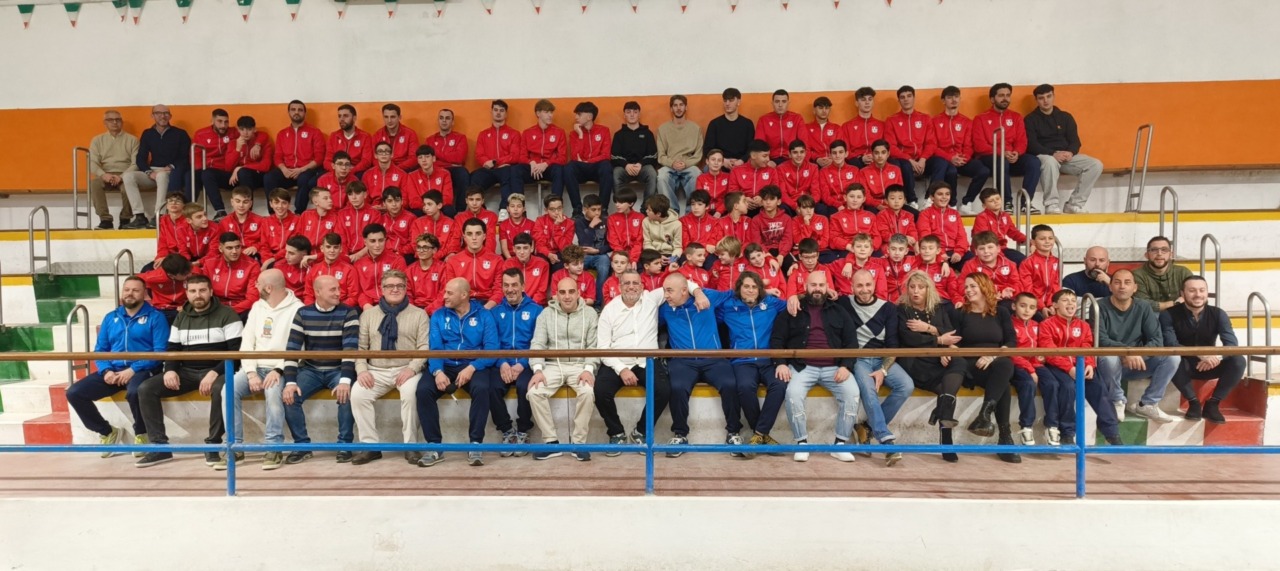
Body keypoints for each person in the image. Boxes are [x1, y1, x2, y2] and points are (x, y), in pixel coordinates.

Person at [134, 275, 241, 468]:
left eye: (202, 290)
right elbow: (172, 349)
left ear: (210, 291)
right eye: (192, 291)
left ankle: (213, 444)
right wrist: (170, 370)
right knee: (146, 388)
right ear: (186, 293)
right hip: (187, 371)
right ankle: (160, 448)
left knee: (220, 389)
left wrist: (214, 372)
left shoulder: (228, 314)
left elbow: (236, 353)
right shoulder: (181, 317)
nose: (197, 295)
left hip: (220, 370)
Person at [64, 276, 168, 458]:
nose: (130, 293)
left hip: (142, 369)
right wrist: (106, 370)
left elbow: (160, 352)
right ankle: (106, 431)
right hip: (113, 370)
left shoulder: (156, 317)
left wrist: (133, 370)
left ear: (145, 294)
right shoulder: (111, 317)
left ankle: (141, 434)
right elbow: (100, 350)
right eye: (127, 289)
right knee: (74, 392)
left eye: (135, 290)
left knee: (136, 391)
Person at [771, 270, 860, 463]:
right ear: (806, 287)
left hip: (835, 367)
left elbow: (851, 342)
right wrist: (780, 363)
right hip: (802, 367)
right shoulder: (793, 309)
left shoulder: (839, 311)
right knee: (793, 394)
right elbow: (777, 339)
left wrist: (846, 366)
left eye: (821, 285)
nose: (817, 289)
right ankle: (802, 443)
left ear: (827, 287)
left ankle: (840, 445)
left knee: (852, 392)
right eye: (813, 285)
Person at [225, 269, 303, 471]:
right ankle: (235, 446)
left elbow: (299, 347)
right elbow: (247, 341)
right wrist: (250, 372)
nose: (255, 287)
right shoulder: (257, 307)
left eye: (258, 283)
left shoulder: (298, 309)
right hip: (254, 366)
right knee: (228, 390)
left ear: (268, 287)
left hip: (280, 368)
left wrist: (278, 370)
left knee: (274, 395)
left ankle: (274, 446)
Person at [350, 269, 430, 465]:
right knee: (358, 394)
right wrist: (362, 370)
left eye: (400, 286)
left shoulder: (419, 314)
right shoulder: (368, 315)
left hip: (407, 369)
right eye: (390, 286)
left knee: (411, 395)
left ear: (406, 288)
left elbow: (424, 347)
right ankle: (370, 447)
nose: (395, 289)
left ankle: (411, 446)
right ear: (382, 289)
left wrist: (412, 368)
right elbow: (360, 347)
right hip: (376, 370)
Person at [419, 278, 501, 467]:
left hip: (473, 364)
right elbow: (435, 348)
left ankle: (475, 444)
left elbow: (492, 350)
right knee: (423, 390)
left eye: (449, 293)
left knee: (482, 388)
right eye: (445, 292)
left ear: (464, 295)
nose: (444, 296)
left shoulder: (484, 315)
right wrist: (438, 371)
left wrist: (472, 368)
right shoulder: (439, 315)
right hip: (445, 365)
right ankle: (434, 446)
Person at [282, 275, 360, 464]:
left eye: (339, 288)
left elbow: (351, 350)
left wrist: (345, 380)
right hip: (311, 369)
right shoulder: (303, 313)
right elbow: (292, 349)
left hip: (339, 369)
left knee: (348, 395)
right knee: (290, 396)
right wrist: (290, 382)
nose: (338, 293)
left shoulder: (349, 313)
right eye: (332, 289)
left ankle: (345, 445)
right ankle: (302, 446)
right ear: (317, 292)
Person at [594, 270, 675, 453]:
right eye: (627, 283)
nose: (631, 286)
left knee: (663, 390)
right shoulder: (609, 310)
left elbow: (681, 284)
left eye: (635, 283)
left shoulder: (651, 299)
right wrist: (622, 369)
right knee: (600, 391)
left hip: (647, 360)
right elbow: (603, 348)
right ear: (619, 286)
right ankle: (616, 433)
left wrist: (698, 292)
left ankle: (641, 432)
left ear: (642, 286)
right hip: (617, 360)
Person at [839, 270, 913, 466]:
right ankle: (886, 440)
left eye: (868, 285)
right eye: (859, 286)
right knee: (869, 390)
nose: (864, 290)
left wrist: (883, 370)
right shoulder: (843, 304)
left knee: (906, 385)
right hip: (859, 359)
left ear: (874, 284)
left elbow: (892, 343)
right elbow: (816, 297)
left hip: (882, 358)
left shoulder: (887, 308)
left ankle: (866, 428)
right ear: (851, 286)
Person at [658, 273, 734, 457]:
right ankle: (680, 434)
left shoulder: (707, 296)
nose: (665, 295)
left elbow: (732, 294)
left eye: (669, 291)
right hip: (682, 360)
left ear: (684, 290)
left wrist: (768, 291)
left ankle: (733, 432)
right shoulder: (664, 309)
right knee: (676, 387)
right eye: (664, 291)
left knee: (730, 384)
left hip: (713, 358)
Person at [896, 270, 966, 462]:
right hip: (917, 362)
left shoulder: (938, 308)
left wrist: (931, 331)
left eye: (921, 287)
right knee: (946, 389)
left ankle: (942, 414)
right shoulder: (902, 309)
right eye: (912, 287)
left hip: (938, 360)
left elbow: (951, 333)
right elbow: (909, 338)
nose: (916, 291)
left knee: (959, 359)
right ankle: (946, 441)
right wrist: (940, 342)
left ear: (929, 289)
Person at [715, 271, 789, 455]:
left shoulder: (771, 303)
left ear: (760, 289)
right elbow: (708, 313)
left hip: (768, 358)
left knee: (780, 384)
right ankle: (763, 436)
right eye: (746, 286)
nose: (750, 290)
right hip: (742, 360)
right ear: (739, 289)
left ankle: (758, 434)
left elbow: (793, 305)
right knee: (745, 387)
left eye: (754, 287)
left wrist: (795, 295)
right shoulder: (728, 306)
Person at [527, 277, 599, 461]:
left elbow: (594, 346)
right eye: (562, 292)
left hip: (579, 365)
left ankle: (578, 443)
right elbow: (537, 344)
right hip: (552, 365)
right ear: (556, 295)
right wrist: (537, 370)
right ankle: (551, 442)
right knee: (534, 392)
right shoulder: (545, 314)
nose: (567, 296)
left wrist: (589, 369)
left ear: (578, 293)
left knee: (587, 392)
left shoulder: (590, 314)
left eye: (571, 291)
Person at [952, 273, 1021, 463]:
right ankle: (1004, 438)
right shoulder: (960, 313)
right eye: (966, 287)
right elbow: (954, 343)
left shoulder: (1001, 312)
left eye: (973, 286)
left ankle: (985, 416)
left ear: (984, 287)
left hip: (994, 363)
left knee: (1004, 367)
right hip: (968, 364)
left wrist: (992, 355)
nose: (968, 290)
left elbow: (1010, 341)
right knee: (1004, 379)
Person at [1039, 288, 1122, 446]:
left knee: (1098, 388)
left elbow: (1087, 346)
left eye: (1072, 300)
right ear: (1055, 305)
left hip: (1081, 364)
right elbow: (1048, 351)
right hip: (1057, 366)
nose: (1070, 303)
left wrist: (1090, 364)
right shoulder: (1046, 325)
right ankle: (1067, 433)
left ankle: (1112, 433)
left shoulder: (1083, 325)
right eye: (1065, 300)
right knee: (1068, 387)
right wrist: (1069, 368)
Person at [1097, 269, 1179, 424]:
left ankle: (1148, 403)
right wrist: (1126, 352)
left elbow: (1156, 340)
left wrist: (1138, 354)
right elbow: (1100, 340)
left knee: (1173, 357)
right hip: (1109, 365)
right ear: (1110, 286)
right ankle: (1117, 400)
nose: (1122, 286)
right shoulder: (1099, 306)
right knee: (1108, 357)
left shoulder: (1143, 306)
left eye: (1127, 282)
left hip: (1138, 362)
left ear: (1135, 288)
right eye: (1117, 282)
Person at [1161, 275, 1245, 424]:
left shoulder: (1218, 313)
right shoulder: (1168, 314)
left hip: (1210, 364)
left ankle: (1213, 403)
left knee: (1238, 360)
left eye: (1202, 290)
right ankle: (1193, 402)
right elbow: (1171, 344)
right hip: (1183, 365)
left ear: (1207, 292)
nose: (1198, 294)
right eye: (1192, 290)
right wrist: (1200, 354)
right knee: (1171, 358)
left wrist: (1216, 357)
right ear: (1182, 293)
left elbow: (1231, 344)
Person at [1025, 84, 1104, 214]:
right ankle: (1051, 205)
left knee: (1095, 164)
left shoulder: (1065, 117)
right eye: (1041, 98)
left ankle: (1074, 204)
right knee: (1049, 161)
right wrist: (1052, 153)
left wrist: (1070, 152)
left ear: (1054, 96)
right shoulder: (1030, 119)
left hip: (1066, 157)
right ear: (1036, 100)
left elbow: (1075, 141)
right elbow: (1031, 145)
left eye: (1048, 96)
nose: (1045, 100)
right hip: (1045, 156)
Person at [489, 269, 542, 457]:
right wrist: (503, 363)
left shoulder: (537, 310)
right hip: (502, 364)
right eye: (506, 285)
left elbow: (539, 342)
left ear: (523, 286)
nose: (510, 289)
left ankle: (523, 431)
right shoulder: (494, 313)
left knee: (524, 386)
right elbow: (492, 343)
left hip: (527, 364)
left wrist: (523, 364)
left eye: (514, 285)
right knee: (491, 386)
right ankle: (506, 431)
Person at [972, 83, 1041, 213]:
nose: (1005, 98)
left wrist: (1016, 152)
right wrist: (1002, 153)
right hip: (990, 158)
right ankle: (1007, 202)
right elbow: (979, 146)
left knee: (1034, 162)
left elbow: (1022, 140)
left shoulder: (1016, 117)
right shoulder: (980, 118)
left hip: (1012, 157)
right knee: (1001, 162)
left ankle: (1026, 203)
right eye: (1001, 95)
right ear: (992, 99)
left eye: (1008, 95)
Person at [125, 104, 191, 229]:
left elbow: (185, 157)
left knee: (161, 176)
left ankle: (159, 215)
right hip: (152, 171)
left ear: (170, 116)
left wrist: (171, 166)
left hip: (170, 171)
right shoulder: (148, 133)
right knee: (128, 176)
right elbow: (140, 158)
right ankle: (139, 216)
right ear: (153, 116)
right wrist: (148, 172)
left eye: (166, 113)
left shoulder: (180, 133)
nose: (163, 116)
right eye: (158, 113)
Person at [927, 86, 990, 212]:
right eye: (949, 97)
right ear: (943, 101)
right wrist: (950, 158)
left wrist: (963, 158)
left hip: (962, 159)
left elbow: (969, 145)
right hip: (944, 160)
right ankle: (952, 204)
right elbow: (933, 146)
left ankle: (967, 203)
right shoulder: (934, 121)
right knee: (951, 172)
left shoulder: (966, 121)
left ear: (960, 99)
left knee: (983, 170)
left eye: (956, 97)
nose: (953, 100)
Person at [264, 100, 326, 214]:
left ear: (304, 113)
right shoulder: (282, 134)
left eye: (300, 110)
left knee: (304, 178)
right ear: (289, 112)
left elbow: (319, 158)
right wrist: (283, 169)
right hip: (287, 171)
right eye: (293, 109)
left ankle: (299, 212)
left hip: (306, 170)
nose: (296, 112)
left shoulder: (315, 132)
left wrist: (301, 169)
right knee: (269, 178)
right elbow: (277, 156)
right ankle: (273, 213)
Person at [88, 109, 142, 230]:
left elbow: (136, 163)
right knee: (94, 184)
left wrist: (122, 176)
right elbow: (92, 162)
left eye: (117, 120)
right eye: (110, 120)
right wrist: (103, 175)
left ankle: (125, 219)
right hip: (105, 173)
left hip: (126, 173)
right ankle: (105, 220)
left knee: (129, 185)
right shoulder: (97, 140)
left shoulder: (132, 140)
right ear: (105, 123)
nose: (114, 122)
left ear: (121, 122)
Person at [513, 99, 568, 213]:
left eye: (551, 112)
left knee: (559, 170)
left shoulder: (559, 132)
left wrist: (546, 163)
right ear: (538, 113)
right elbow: (521, 156)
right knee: (516, 170)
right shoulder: (527, 132)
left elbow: (562, 158)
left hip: (549, 169)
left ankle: (554, 208)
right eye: (546, 112)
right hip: (533, 169)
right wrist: (531, 163)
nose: (550, 115)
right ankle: (519, 209)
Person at [1009, 292, 1050, 446]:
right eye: (1023, 306)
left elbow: (1042, 347)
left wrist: (1042, 358)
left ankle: (1052, 425)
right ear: (1014, 306)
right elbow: (1011, 352)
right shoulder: (1009, 325)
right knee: (1028, 384)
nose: (1027, 310)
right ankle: (1026, 427)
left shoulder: (1037, 326)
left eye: (1032, 307)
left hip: (1036, 364)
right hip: (1016, 364)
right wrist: (1030, 369)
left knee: (1053, 383)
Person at [885, 86, 936, 205]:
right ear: (899, 101)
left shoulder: (925, 118)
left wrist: (923, 159)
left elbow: (931, 143)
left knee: (942, 164)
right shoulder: (891, 120)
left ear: (914, 98)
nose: (906, 99)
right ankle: (912, 200)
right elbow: (891, 146)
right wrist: (910, 160)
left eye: (909, 96)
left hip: (922, 159)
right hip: (904, 159)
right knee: (905, 165)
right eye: (902, 97)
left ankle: (929, 198)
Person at [471, 100, 522, 217]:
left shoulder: (514, 134)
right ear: (491, 112)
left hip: (505, 168)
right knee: (475, 177)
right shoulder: (483, 134)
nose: (498, 113)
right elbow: (479, 155)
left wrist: (496, 162)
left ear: (506, 114)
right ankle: (479, 209)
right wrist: (486, 163)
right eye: (496, 110)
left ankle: (504, 209)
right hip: (489, 170)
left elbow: (515, 155)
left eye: (502, 110)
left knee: (508, 174)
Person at [656, 94, 704, 212]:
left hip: (689, 165)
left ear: (686, 107)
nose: (678, 108)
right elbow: (661, 156)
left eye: (681, 105)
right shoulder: (663, 129)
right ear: (671, 108)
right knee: (661, 176)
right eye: (675, 105)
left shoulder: (695, 128)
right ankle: (671, 212)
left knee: (697, 174)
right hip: (670, 165)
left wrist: (686, 163)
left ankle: (692, 212)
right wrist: (672, 163)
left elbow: (698, 154)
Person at [198, 232, 261, 320]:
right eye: (229, 248)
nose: (234, 251)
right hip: (216, 307)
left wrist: (230, 311)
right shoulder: (210, 263)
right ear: (220, 248)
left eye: (237, 247)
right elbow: (204, 291)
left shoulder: (252, 265)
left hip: (241, 309)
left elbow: (252, 298)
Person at [566, 101, 616, 211]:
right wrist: (580, 135)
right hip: (581, 170)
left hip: (597, 168)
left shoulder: (604, 131)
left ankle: (603, 209)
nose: (576, 117)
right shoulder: (574, 133)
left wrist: (589, 161)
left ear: (589, 116)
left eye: (579, 114)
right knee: (569, 168)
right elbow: (575, 157)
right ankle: (577, 209)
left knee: (606, 166)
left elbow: (605, 155)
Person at [442, 218, 504, 306]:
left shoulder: (497, 260)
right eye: (469, 234)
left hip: (489, 303)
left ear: (484, 236)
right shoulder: (453, 261)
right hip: (462, 303)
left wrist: (485, 309)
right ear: (464, 237)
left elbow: (499, 290)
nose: (474, 238)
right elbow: (451, 290)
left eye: (478, 234)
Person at [192, 109, 236, 219]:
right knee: (190, 176)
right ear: (212, 121)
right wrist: (199, 169)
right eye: (219, 121)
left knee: (207, 174)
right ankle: (187, 211)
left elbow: (256, 134)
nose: (223, 125)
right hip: (206, 169)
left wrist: (258, 144)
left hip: (227, 173)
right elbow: (195, 155)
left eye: (226, 122)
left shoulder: (234, 132)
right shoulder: (201, 133)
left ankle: (220, 211)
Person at [611, 101, 659, 201]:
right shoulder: (619, 135)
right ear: (624, 115)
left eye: (635, 112)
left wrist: (641, 164)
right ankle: (622, 205)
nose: (632, 114)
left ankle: (647, 208)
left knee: (652, 173)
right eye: (628, 112)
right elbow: (614, 156)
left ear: (639, 115)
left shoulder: (647, 133)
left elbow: (653, 155)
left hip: (642, 168)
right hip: (624, 169)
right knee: (616, 173)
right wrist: (626, 165)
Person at [354, 223, 407, 310]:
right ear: (365, 242)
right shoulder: (359, 264)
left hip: (391, 304)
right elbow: (359, 291)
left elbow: (401, 286)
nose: (377, 245)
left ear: (385, 240)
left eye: (381, 240)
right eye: (373, 241)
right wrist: (366, 304)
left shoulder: (397, 260)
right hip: (368, 306)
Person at [425, 108, 471, 207]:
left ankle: (460, 210)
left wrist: (436, 155)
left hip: (454, 170)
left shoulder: (460, 138)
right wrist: (450, 162)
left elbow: (459, 158)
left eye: (447, 118)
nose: (444, 120)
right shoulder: (430, 140)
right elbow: (428, 161)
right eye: (441, 118)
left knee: (463, 173)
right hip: (436, 169)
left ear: (452, 122)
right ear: (438, 121)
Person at [1133, 236, 1192, 311]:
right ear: (1147, 255)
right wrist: (1175, 303)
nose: (1159, 254)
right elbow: (1143, 304)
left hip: (1179, 316)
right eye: (1154, 250)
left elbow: (1192, 298)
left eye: (1164, 250)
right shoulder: (1137, 275)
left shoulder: (1183, 273)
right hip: (1150, 317)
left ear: (1171, 254)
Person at [225, 116, 273, 203]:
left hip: (257, 177)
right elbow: (228, 167)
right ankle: (220, 211)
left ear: (254, 129)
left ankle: (247, 209)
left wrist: (241, 168)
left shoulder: (264, 143)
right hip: (237, 177)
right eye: (242, 129)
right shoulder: (233, 143)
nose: (245, 133)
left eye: (249, 129)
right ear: (238, 130)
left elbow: (266, 166)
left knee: (243, 172)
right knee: (208, 174)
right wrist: (237, 150)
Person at [703, 88, 755, 168]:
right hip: (719, 163)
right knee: (707, 169)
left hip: (741, 163)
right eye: (725, 100)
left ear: (738, 102)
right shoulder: (714, 124)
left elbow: (751, 149)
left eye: (731, 100)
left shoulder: (747, 124)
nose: (727, 103)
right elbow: (707, 150)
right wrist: (723, 161)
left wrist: (741, 161)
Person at [574, 195, 611, 302]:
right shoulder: (579, 222)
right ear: (585, 209)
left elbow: (610, 245)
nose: (597, 213)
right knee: (574, 266)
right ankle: (579, 300)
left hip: (599, 255)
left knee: (604, 263)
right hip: (583, 256)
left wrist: (598, 251)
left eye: (599, 209)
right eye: (593, 210)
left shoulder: (605, 221)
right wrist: (591, 227)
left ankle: (598, 302)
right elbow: (584, 243)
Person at [498, 233, 551, 306]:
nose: (522, 252)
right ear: (514, 249)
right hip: (513, 303)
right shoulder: (508, 264)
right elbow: (504, 288)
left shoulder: (543, 264)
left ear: (531, 248)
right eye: (518, 248)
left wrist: (529, 305)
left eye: (525, 248)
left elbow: (541, 291)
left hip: (535, 304)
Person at [755, 89, 804, 166]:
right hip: (770, 159)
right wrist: (766, 161)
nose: (780, 105)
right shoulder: (763, 120)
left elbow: (804, 144)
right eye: (777, 101)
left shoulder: (797, 119)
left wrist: (798, 160)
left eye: (784, 101)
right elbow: (759, 145)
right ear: (772, 103)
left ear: (788, 103)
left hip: (792, 159)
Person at [138, 254, 191, 324]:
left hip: (184, 308)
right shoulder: (155, 276)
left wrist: (188, 305)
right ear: (171, 275)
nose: (189, 275)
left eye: (188, 272)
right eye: (184, 274)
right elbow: (135, 280)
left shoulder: (193, 274)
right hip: (161, 309)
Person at [402, 146, 455, 214]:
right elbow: (413, 200)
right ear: (417, 160)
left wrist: (435, 207)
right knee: (415, 212)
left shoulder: (445, 174)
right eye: (420, 157)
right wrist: (425, 207)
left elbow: (448, 197)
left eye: (427, 156)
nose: (424, 160)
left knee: (449, 210)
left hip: (439, 206)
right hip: (422, 208)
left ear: (433, 158)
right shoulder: (411, 176)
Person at [727, 140, 777, 210]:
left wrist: (763, 198)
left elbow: (775, 190)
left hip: (764, 206)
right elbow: (732, 192)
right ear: (753, 155)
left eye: (769, 156)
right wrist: (744, 199)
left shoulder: (772, 171)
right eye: (765, 156)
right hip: (742, 207)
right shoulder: (736, 171)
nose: (768, 159)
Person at [325, 104, 374, 176]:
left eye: (345, 116)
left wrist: (350, 170)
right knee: (314, 182)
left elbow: (366, 161)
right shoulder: (334, 136)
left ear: (354, 118)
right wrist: (338, 170)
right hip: (336, 170)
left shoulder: (365, 137)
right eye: (339, 116)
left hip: (356, 171)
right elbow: (327, 160)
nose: (341, 119)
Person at [816, 140, 862, 215]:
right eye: (834, 153)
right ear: (830, 155)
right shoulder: (823, 172)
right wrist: (838, 205)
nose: (837, 156)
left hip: (852, 203)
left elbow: (858, 191)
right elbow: (825, 196)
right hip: (833, 206)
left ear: (846, 154)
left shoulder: (854, 170)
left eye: (841, 152)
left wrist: (849, 204)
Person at [844, 87, 886, 166]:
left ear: (873, 102)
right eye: (863, 100)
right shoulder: (847, 126)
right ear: (856, 103)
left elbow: (887, 147)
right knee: (854, 163)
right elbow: (845, 150)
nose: (867, 102)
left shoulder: (881, 125)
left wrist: (876, 156)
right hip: (857, 160)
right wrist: (861, 158)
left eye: (870, 99)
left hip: (878, 158)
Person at [373, 103, 420, 172]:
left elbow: (413, 158)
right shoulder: (377, 135)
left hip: (404, 170)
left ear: (399, 117)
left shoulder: (410, 134)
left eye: (392, 117)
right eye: (386, 117)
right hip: (383, 169)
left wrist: (395, 169)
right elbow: (374, 158)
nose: (389, 120)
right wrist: (384, 168)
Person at [776, 140, 820, 214]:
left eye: (802, 152)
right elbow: (782, 193)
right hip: (790, 204)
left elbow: (816, 192)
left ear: (805, 153)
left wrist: (807, 206)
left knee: (822, 209)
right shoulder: (781, 168)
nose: (799, 155)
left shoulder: (813, 168)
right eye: (795, 152)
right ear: (789, 154)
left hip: (808, 202)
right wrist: (795, 206)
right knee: (782, 209)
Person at [407, 233, 447, 313]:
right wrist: (413, 311)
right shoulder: (409, 269)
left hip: (437, 309)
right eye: (419, 247)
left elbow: (444, 293)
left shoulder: (443, 268)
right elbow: (407, 294)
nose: (421, 251)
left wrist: (427, 310)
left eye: (425, 247)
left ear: (434, 250)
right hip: (415, 310)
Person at [859, 139, 902, 209]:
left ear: (888, 154)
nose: (880, 156)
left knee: (914, 214)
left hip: (892, 204)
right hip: (873, 206)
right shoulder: (863, 172)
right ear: (872, 154)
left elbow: (899, 192)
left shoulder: (896, 170)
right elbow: (865, 195)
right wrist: (878, 205)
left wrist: (891, 204)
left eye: (883, 152)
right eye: (876, 153)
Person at [642, 195, 682, 259]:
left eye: (649, 210)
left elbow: (678, 247)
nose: (646, 211)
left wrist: (672, 259)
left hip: (670, 253)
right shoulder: (646, 221)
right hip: (652, 253)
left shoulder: (677, 224)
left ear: (658, 214)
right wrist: (658, 257)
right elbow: (647, 243)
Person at [804, 96, 840, 167]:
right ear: (814, 110)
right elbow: (805, 148)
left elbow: (840, 147)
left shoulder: (837, 128)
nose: (824, 111)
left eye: (826, 108)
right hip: (814, 163)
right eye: (820, 108)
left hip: (833, 162)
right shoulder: (806, 128)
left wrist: (832, 159)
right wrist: (817, 159)